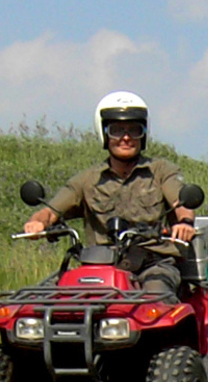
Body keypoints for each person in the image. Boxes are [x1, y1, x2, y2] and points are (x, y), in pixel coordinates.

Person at [21, 91, 198, 298]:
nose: (125, 138)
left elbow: (181, 201)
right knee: (42, 300)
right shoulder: (87, 180)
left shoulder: (160, 171)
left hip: (154, 263)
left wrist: (184, 222)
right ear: (104, 134)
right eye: (116, 130)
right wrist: (37, 223)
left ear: (144, 134)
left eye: (134, 130)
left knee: (156, 298)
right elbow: (50, 212)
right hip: (99, 266)